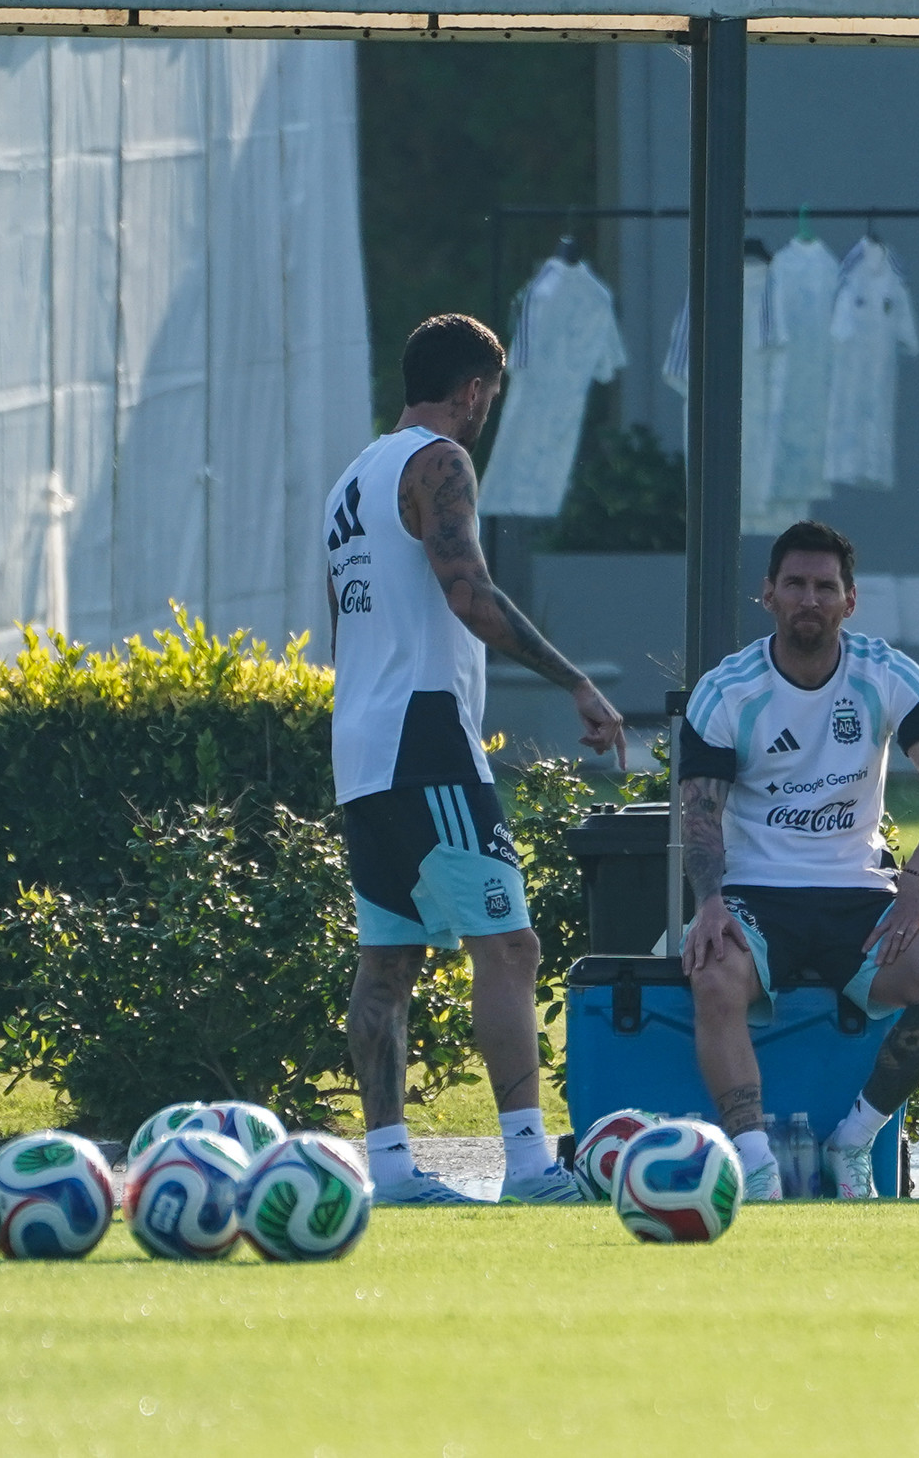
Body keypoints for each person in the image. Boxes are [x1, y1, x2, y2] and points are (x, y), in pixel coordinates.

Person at [325, 313, 627, 1206]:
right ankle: (531, 1166)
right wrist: (577, 681)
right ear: (473, 391)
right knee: (510, 945)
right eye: (489, 396)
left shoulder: (355, 474)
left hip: (362, 745)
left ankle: (390, 1171)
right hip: (426, 739)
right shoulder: (440, 461)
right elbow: (468, 592)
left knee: (387, 964)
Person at [679, 520, 919, 1199]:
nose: (808, 599)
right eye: (794, 585)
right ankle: (754, 1168)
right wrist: (709, 905)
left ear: (850, 600)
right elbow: (698, 815)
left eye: (824, 586)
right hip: (757, 892)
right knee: (714, 976)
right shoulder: (728, 689)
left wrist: (918, 884)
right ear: (768, 596)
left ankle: (852, 1143)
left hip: (859, 893)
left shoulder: (886, 673)